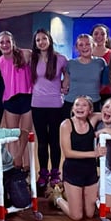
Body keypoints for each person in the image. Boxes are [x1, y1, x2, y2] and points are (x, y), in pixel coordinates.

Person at [51, 96, 101, 221]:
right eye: (77, 105)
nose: (80, 108)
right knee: (77, 216)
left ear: (90, 110)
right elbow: (68, 153)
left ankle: (75, 199)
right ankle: (57, 197)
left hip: (90, 171)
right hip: (73, 171)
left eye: (84, 105)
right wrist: (94, 154)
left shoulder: (92, 119)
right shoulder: (66, 124)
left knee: (90, 214)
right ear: (72, 108)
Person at [30, 29, 68, 189]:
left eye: (44, 39)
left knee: (54, 141)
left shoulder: (60, 59)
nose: (41, 42)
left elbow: (68, 74)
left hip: (55, 105)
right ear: (35, 43)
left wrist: (65, 84)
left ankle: (55, 173)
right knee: (42, 142)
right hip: (37, 105)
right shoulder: (32, 59)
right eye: (38, 40)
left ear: (49, 40)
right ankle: (43, 173)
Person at [0, 31, 33, 167]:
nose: (5, 44)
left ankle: (27, 167)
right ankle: (14, 167)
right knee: (12, 136)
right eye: (2, 42)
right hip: (10, 100)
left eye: (8, 41)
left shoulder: (26, 54)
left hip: (26, 98)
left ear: (13, 42)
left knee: (26, 135)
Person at [64, 34, 105, 115]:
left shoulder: (100, 62)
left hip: (93, 103)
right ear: (77, 48)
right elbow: (65, 84)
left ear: (93, 45)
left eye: (87, 44)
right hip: (72, 103)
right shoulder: (71, 63)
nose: (84, 47)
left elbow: (104, 82)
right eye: (81, 45)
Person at [91, 24, 111, 103]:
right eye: (96, 34)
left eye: (102, 34)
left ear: (107, 38)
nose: (99, 36)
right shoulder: (85, 54)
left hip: (108, 94)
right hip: (88, 93)